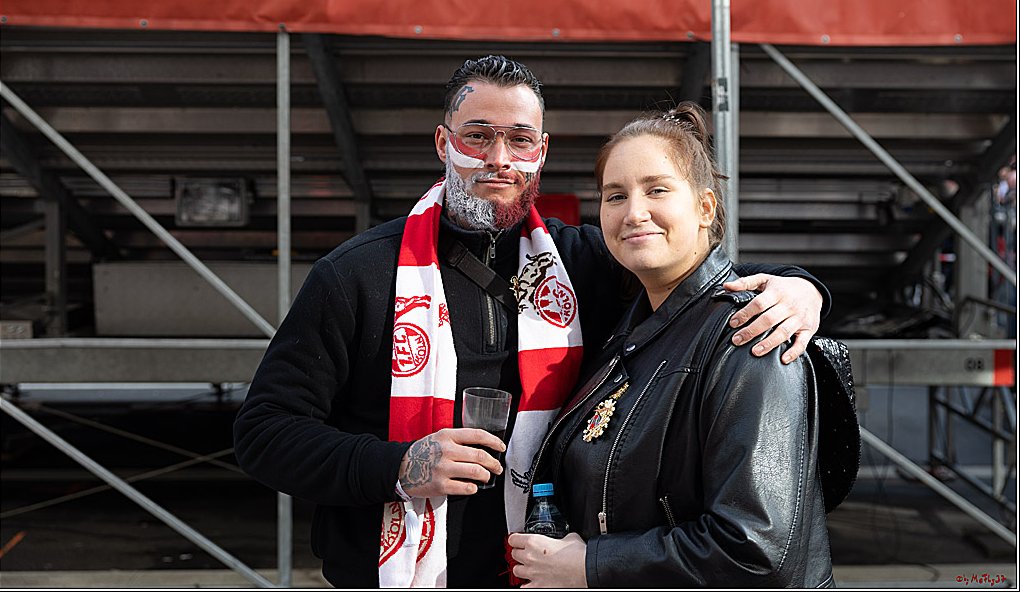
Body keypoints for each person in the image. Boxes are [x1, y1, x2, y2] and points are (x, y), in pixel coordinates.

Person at [232, 56, 833, 588]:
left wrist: (800, 286)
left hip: (548, 577)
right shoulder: (357, 275)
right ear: (443, 144)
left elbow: (681, 263)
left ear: (541, 152)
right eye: (478, 137)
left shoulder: (583, 262)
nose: (499, 159)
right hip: (392, 576)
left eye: (520, 139)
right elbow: (263, 433)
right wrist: (399, 465)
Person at [508, 103, 858, 588]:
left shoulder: (751, 334)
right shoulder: (625, 328)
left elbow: (752, 547)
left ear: (705, 208)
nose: (634, 213)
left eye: (657, 190)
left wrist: (590, 567)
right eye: (615, 196)